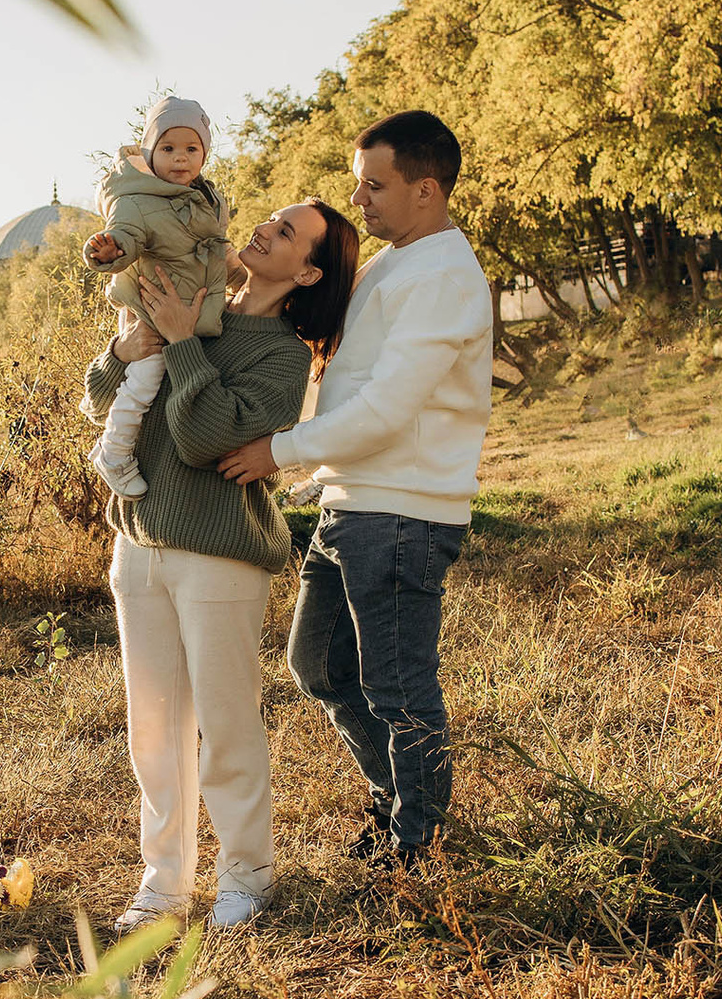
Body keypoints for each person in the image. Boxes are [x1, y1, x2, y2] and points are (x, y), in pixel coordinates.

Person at [217, 111, 493, 866]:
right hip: (352, 503)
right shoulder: (393, 262)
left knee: (400, 691)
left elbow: (387, 410)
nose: (360, 199)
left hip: (400, 514)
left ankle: (419, 850)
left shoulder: (443, 276)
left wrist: (278, 450)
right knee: (320, 667)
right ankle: (398, 805)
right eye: (357, 183)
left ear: (427, 190)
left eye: (376, 185)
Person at [84, 199, 359, 931]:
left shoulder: (282, 355)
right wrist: (126, 350)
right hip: (137, 544)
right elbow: (103, 401)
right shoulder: (186, 294)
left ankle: (248, 874)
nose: (266, 225)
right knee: (154, 728)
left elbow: (205, 436)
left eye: (289, 231)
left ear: (306, 271)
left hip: (219, 556)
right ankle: (163, 881)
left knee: (228, 722)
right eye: (272, 216)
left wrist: (179, 344)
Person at [80, 96, 232, 500]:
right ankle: (113, 451)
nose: (180, 159)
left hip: (182, 310)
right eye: (167, 149)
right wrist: (111, 249)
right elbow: (127, 234)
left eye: (191, 149)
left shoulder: (208, 199)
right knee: (144, 382)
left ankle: (113, 447)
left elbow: (214, 253)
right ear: (150, 151)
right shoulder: (136, 199)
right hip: (150, 312)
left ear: (204, 154)